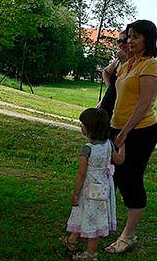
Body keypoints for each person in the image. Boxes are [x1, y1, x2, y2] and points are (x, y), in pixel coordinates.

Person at [104, 20, 157, 254]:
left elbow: (145, 103)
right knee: (111, 176)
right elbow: (116, 93)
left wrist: (124, 133)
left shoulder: (151, 65)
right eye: (129, 37)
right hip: (117, 128)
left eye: (136, 37)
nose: (130, 41)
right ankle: (101, 225)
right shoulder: (127, 65)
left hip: (140, 131)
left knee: (130, 179)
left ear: (148, 39)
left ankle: (128, 236)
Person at [60, 108, 125, 261]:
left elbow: (81, 174)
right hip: (103, 189)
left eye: (82, 124)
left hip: (88, 189)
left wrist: (75, 193)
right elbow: (119, 160)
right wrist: (122, 146)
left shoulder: (87, 149)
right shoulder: (108, 144)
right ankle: (72, 240)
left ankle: (91, 253)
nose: (81, 126)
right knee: (87, 213)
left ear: (89, 128)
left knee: (92, 219)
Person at [97, 30, 129, 118]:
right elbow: (105, 72)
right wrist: (110, 88)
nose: (121, 44)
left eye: (124, 41)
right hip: (108, 103)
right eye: (119, 41)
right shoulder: (117, 61)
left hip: (121, 107)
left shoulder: (135, 62)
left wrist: (124, 61)